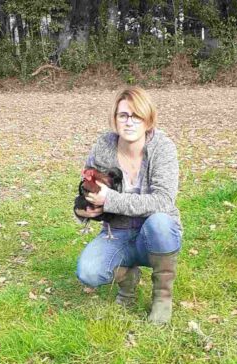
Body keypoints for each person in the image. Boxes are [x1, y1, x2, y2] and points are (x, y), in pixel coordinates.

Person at [75, 86, 182, 325]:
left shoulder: (163, 148)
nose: (129, 122)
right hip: (117, 233)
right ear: (115, 119)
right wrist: (84, 209)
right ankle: (128, 278)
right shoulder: (103, 146)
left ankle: (162, 297)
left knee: (161, 221)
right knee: (88, 272)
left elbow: (163, 200)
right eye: (123, 115)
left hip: (154, 236)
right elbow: (85, 187)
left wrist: (110, 200)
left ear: (148, 120)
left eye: (137, 116)